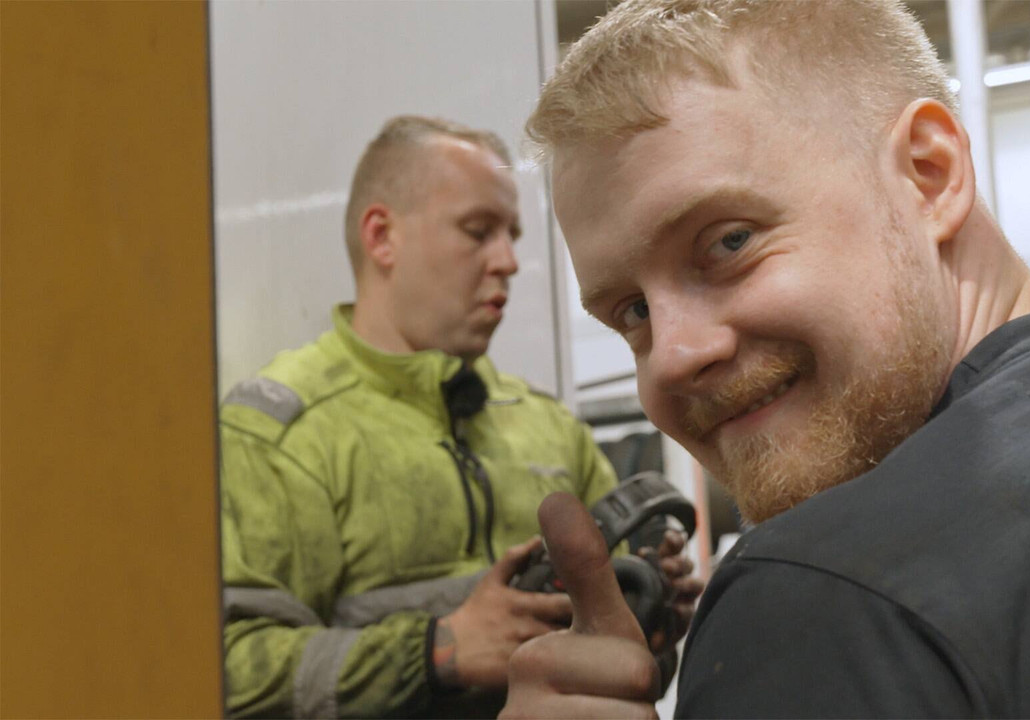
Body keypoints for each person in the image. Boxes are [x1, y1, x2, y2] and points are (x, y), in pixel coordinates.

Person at [501, 1, 1030, 717]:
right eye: (632, 313)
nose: (673, 357)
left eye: (730, 242)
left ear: (929, 176)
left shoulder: (826, 591)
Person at [219, 116, 700, 719]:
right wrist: (437, 650)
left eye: (512, 235)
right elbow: (224, 670)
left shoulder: (549, 428)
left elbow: (622, 647)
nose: (509, 261)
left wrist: (651, 605)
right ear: (381, 237)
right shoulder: (280, 435)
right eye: (478, 231)